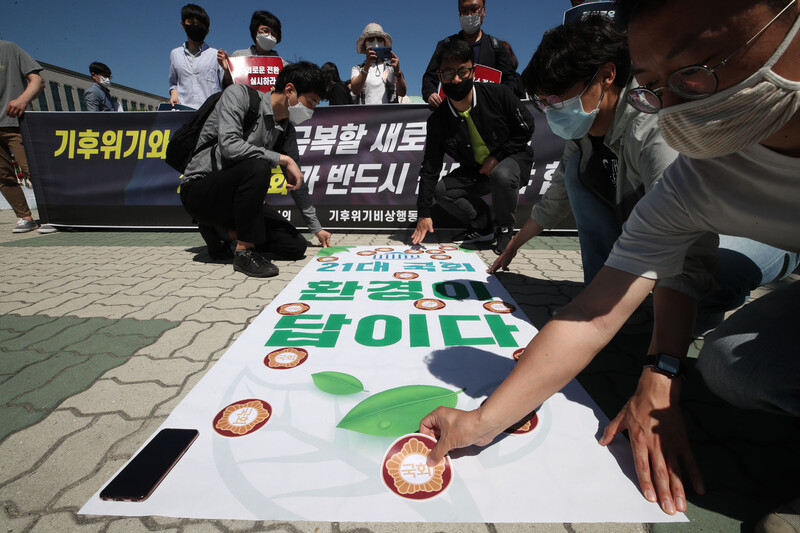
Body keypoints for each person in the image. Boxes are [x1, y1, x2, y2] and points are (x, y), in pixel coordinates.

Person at [419, 1, 800, 528]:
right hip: (694, 242)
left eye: (696, 69)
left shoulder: (661, 140)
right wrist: (483, 420)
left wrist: (660, 371)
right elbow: (596, 311)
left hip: (752, 242)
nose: (671, 105)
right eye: (653, 84)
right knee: (733, 364)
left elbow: (689, 265)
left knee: (718, 276)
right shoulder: (691, 168)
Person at [489, 15, 799, 328]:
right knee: (573, 178)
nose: (550, 109)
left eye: (555, 98)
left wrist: (664, 358)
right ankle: (603, 300)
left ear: (606, 76)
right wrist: (515, 244)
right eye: (543, 103)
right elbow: (556, 198)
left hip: (747, 229)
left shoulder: (653, 125)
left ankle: (684, 317)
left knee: (709, 280)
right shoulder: (582, 130)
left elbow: (691, 242)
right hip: (667, 229)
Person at [179, 61, 326, 277]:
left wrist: (317, 228)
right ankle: (244, 252)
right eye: (310, 102)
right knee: (258, 166)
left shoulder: (286, 130)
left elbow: (297, 181)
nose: (311, 111)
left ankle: (221, 233)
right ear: (290, 90)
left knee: (294, 246)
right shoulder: (239, 95)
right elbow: (229, 145)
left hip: (239, 201)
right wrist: (282, 159)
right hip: (201, 190)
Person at [411, 39, 533, 254]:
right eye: (448, 73)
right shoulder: (438, 120)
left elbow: (526, 128)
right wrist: (423, 213)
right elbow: (430, 166)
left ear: (473, 72)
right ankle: (482, 225)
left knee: (502, 174)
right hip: (476, 170)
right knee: (443, 190)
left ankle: (504, 229)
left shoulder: (499, 94)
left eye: (462, 72)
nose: (456, 79)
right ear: (439, 76)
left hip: (512, 159)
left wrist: (497, 157)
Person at [421, 0, 523, 108]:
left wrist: (503, 100)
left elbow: (510, 79)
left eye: (474, 10)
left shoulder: (496, 47)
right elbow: (429, 76)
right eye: (464, 11)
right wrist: (430, 93)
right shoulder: (446, 45)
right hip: (453, 112)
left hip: (488, 112)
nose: (469, 15)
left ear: (483, 11)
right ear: (459, 13)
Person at [0, 40, 44, 234]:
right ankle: (25, 217)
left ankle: (55, 213)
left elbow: (37, 81)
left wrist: (23, 99)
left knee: (34, 171)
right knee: (3, 176)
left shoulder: (10, 49)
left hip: (15, 123)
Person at [168, 4, 225, 110]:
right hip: (183, 112)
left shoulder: (216, 55)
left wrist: (227, 70)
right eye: (191, 23)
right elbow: (174, 83)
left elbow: (226, 86)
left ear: (207, 31)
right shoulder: (175, 54)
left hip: (210, 114)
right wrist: (174, 95)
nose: (195, 27)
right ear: (183, 24)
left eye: (200, 25)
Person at [350, 23, 407, 104]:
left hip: (388, 115)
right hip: (365, 115)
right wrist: (366, 67)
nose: (375, 43)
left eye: (379, 39)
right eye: (371, 39)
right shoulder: (357, 69)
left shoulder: (391, 67)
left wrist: (398, 72)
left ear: (384, 43)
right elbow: (355, 90)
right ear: (365, 44)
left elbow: (402, 93)